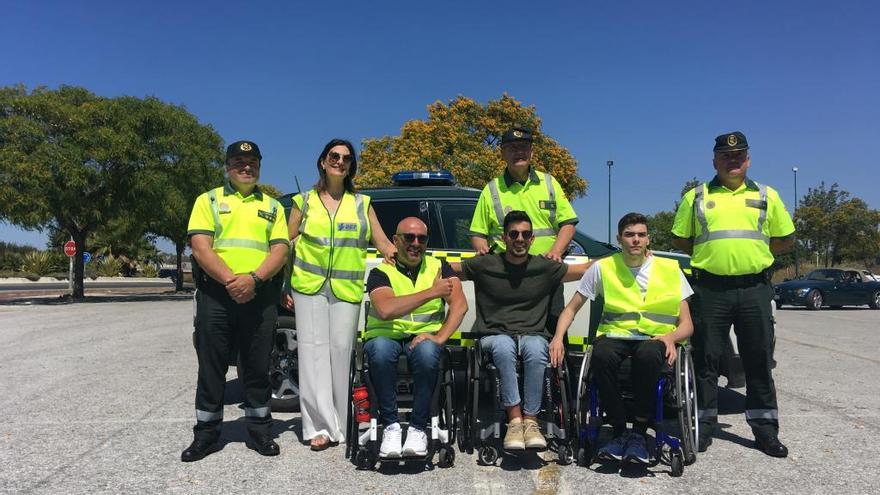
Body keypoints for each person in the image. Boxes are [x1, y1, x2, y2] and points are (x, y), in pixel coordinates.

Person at [671, 131, 795, 458]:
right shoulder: (695, 197)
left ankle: (766, 431)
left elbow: (784, 239)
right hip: (710, 289)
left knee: (758, 360)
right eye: (726, 156)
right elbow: (683, 240)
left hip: (754, 288)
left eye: (739, 155)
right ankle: (702, 428)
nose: (733, 160)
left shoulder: (767, 195)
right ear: (714, 161)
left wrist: (753, 255)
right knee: (706, 359)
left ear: (748, 159)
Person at [282, 139, 396, 451]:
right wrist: (283, 284)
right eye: (334, 156)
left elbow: (384, 242)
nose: (340, 161)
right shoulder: (303, 201)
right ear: (322, 161)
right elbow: (284, 244)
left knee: (341, 353)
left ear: (351, 166)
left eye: (346, 158)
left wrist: (400, 252)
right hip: (309, 287)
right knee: (312, 354)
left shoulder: (362, 203)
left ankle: (340, 424)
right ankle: (318, 427)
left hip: (345, 290)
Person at [552, 213, 694, 464]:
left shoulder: (671, 269)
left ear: (648, 238)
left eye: (640, 234)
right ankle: (618, 429)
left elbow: (687, 325)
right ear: (619, 239)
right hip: (615, 336)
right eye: (629, 235)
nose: (635, 240)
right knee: (601, 355)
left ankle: (639, 431)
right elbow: (571, 308)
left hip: (655, 338)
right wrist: (557, 337)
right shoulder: (603, 267)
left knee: (648, 355)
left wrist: (671, 336)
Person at [182, 140, 290, 461]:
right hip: (217, 294)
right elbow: (201, 247)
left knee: (257, 367)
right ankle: (206, 435)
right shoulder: (209, 200)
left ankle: (259, 431)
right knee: (212, 366)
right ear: (228, 166)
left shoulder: (273, 206)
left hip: (259, 296)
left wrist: (253, 280)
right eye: (239, 161)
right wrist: (232, 280)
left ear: (259, 166)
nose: (246, 167)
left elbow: (280, 249)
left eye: (252, 161)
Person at [452, 210, 590, 451]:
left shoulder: (544, 266)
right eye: (514, 234)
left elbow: (588, 270)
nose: (520, 239)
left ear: (532, 238)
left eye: (525, 234)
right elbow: (446, 269)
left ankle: (531, 422)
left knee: (537, 347)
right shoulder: (485, 264)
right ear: (504, 238)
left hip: (532, 335)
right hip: (493, 336)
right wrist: (396, 256)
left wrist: (629, 257)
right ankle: (515, 421)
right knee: (504, 346)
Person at [363, 217, 468, 458]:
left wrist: (440, 337)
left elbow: (460, 306)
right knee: (378, 351)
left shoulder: (439, 267)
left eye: (422, 238)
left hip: (423, 337)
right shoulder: (381, 271)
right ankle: (390, 426)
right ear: (395, 241)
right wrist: (433, 291)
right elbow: (386, 310)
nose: (416, 243)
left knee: (429, 352)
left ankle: (418, 427)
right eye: (409, 237)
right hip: (385, 335)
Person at [468, 127, 580, 332]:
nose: (519, 152)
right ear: (502, 153)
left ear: (532, 152)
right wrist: (482, 250)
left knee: (554, 334)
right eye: (512, 148)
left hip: (545, 274)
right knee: (503, 336)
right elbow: (478, 233)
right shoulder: (491, 189)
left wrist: (555, 252)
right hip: (507, 278)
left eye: (524, 147)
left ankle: (555, 365)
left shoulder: (549, 183)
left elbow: (568, 223)